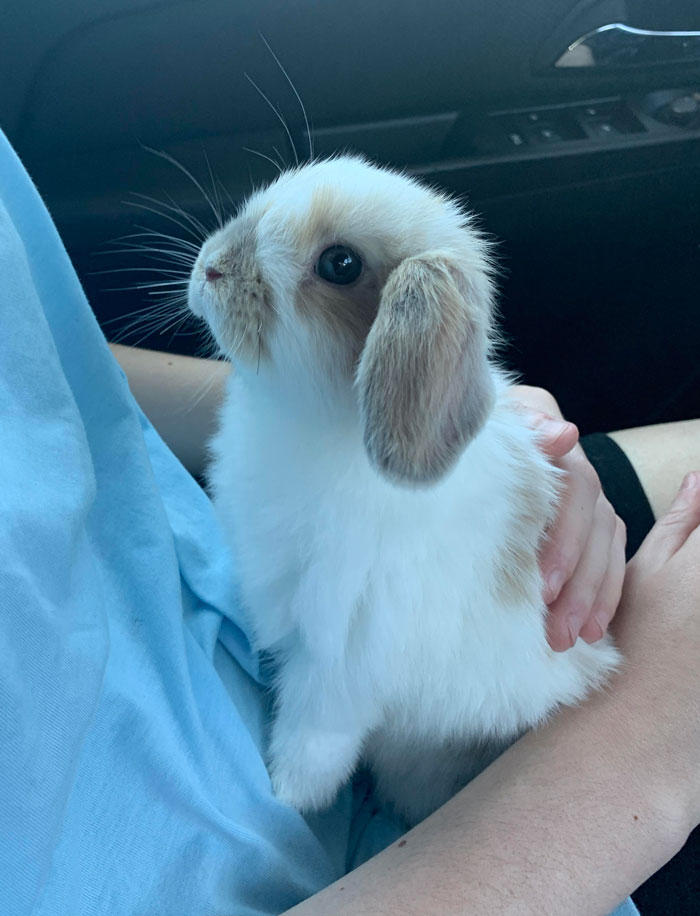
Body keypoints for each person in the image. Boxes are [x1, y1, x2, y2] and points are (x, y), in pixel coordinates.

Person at [1, 124, 698, 916]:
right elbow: (347, 673)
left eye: (335, 266)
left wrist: (465, 409)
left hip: (433, 667)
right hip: (460, 830)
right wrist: (644, 738)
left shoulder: (353, 495)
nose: (216, 262)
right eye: (339, 268)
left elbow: (42, 372)